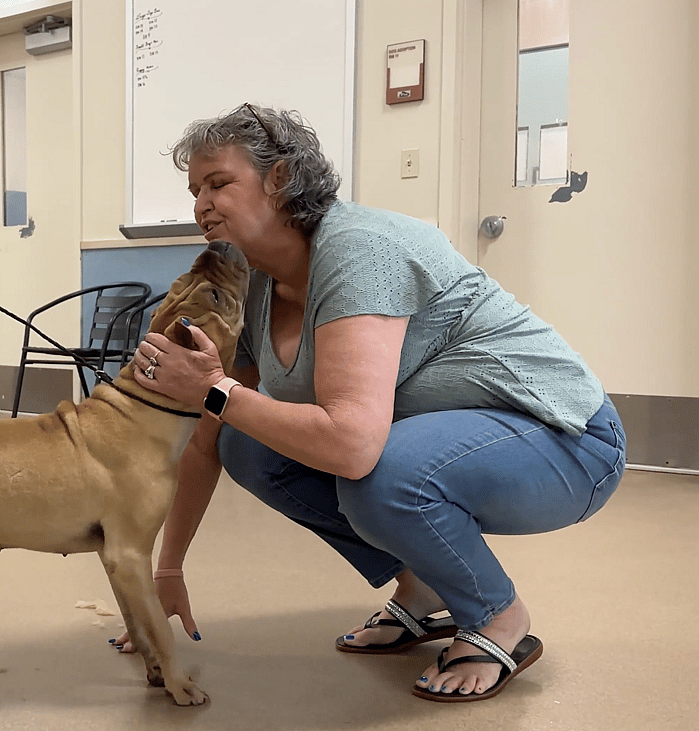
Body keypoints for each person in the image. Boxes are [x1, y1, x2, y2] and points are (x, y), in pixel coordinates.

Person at [115, 103, 626, 701]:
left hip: (568, 440)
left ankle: (497, 617)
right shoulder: (254, 283)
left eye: (218, 183)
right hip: (452, 443)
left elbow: (351, 445)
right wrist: (168, 569)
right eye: (195, 190)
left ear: (280, 178)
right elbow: (209, 435)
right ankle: (424, 584)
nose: (201, 204)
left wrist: (212, 388)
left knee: (383, 473)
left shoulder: (361, 249)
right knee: (247, 445)